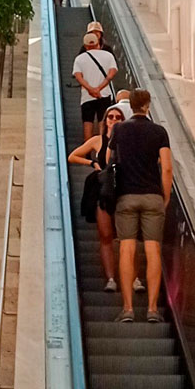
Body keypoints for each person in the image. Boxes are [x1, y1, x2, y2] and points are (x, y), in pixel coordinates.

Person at [106, 89, 172, 323]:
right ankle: (152, 309)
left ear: (131, 106)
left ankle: (128, 309)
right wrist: (164, 197)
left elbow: (108, 160)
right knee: (153, 251)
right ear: (147, 105)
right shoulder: (159, 132)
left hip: (126, 196)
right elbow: (167, 168)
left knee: (127, 249)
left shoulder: (119, 129)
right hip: (152, 196)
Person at [68, 105, 144, 293]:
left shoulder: (130, 140)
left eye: (118, 117)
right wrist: (92, 163)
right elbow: (73, 156)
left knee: (128, 237)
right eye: (110, 116)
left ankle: (134, 278)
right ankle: (111, 278)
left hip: (125, 189)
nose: (114, 120)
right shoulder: (98, 140)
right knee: (106, 236)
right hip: (104, 191)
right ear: (105, 120)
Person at [72, 32, 118, 141]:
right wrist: (99, 88)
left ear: (85, 45)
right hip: (104, 94)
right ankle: (102, 146)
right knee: (103, 121)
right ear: (98, 43)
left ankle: (87, 148)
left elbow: (78, 76)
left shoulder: (79, 59)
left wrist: (90, 89)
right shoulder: (108, 55)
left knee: (88, 122)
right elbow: (112, 73)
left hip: (87, 96)